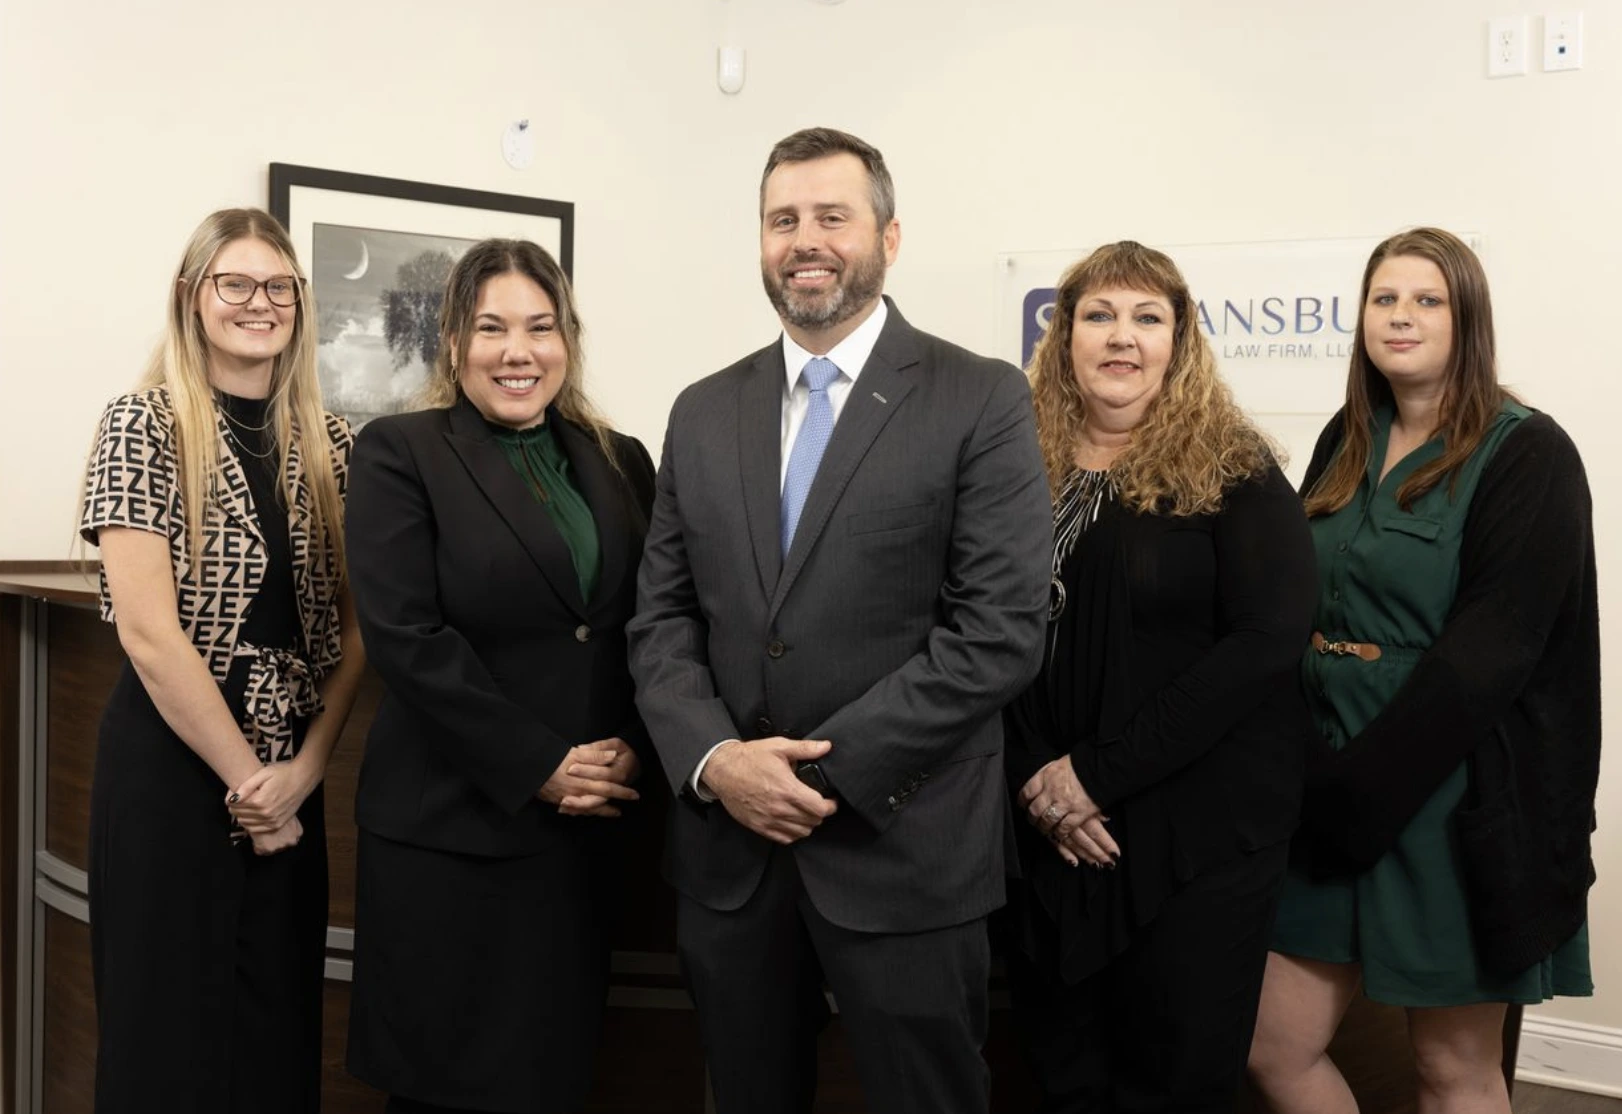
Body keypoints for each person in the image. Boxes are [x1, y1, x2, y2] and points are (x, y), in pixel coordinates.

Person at [626, 126, 1051, 1114]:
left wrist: (811, 769)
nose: (804, 240)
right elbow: (662, 620)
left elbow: (996, 632)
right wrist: (720, 762)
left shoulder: (979, 396)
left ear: (889, 237)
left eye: (831, 216)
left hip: (904, 851)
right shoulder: (701, 411)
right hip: (731, 855)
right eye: (783, 220)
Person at [1247, 228, 1599, 1114]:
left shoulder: (1529, 454)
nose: (1400, 316)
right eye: (1384, 299)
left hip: (1448, 797)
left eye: (1426, 300)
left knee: (1453, 1072)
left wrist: (1356, 796)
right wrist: (1309, 773)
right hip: (1322, 785)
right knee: (1269, 1048)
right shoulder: (1346, 437)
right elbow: (1294, 600)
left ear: (1467, 319)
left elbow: (1491, 656)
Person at [1003, 240, 1317, 1112]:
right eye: (1098, 316)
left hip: (1193, 837)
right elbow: (977, 629)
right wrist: (1037, 780)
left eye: (1148, 318)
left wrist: (1097, 777)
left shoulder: (1235, 468)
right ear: (1062, 336)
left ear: (1180, 341)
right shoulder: (1012, 466)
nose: (1121, 337)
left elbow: (1266, 640)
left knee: (1174, 1082)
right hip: (1050, 828)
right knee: (1064, 1074)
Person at [343, 238, 655, 1114]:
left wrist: (630, 745)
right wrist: (539, 765)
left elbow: (653, 623)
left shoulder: (620, 456)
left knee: (552, 1079)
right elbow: (408, 639)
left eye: (540, 327)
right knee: (447, 1088)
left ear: (568, 339)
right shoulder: (399, 451)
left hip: (580, 839)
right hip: (453, 833)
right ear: (453, 342)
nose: (518, 351)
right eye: (491, 328)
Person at [77, 207, 363, 1113]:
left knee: (276, 1042)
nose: (258, 303)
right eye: (233, 283)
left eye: (278, 286)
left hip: (291, 770)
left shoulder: (337, 444)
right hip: (173, 769)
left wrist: (305, 772)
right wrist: (249, 785)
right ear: (192, 298)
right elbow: (151, 637)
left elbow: (360, 632)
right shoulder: (143, 424)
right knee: (166, 1045)